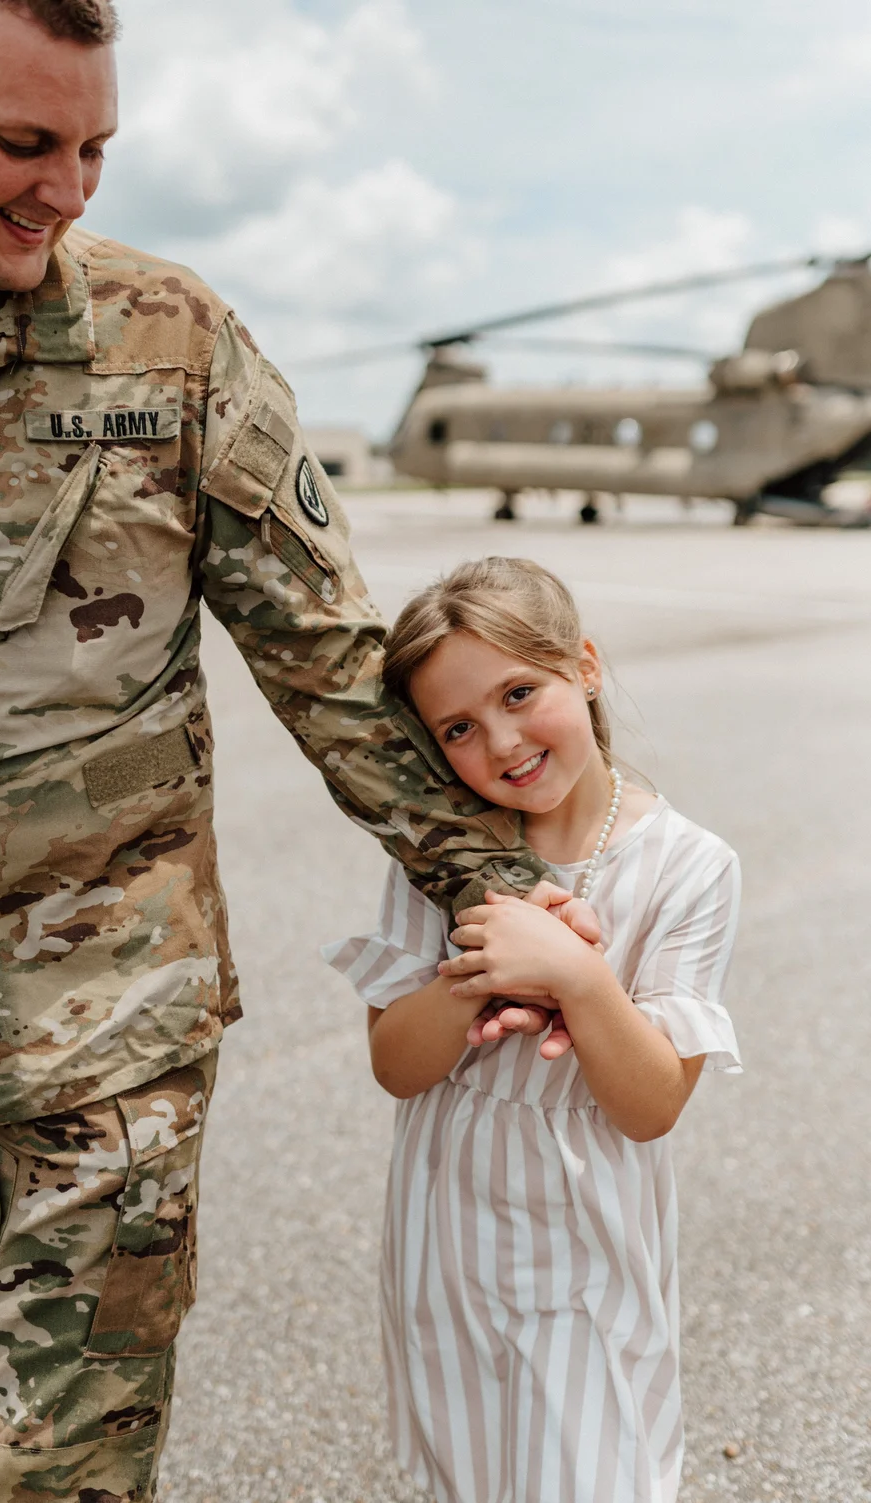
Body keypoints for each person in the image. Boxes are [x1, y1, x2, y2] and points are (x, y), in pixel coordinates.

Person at [0, 5, 553, 1500]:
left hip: (104, 1013)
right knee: (1, 1435)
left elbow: (332, 663)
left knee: (57, 1477)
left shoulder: (169, 348)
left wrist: (507, 892)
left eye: (97, 146)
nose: (69, 188)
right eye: (25, 143)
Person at [324, 556, 742, 1503]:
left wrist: (576, 977)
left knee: (594, 1471)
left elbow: (648, 1106)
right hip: (449, 1228)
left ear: (584, 667)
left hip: (592, 1235)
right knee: (472, 1473)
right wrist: (481, 967)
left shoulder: (690, 867)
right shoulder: (438, 856)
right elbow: (396, 1062)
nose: (503, 740)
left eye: (521, 692)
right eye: (459, 728)